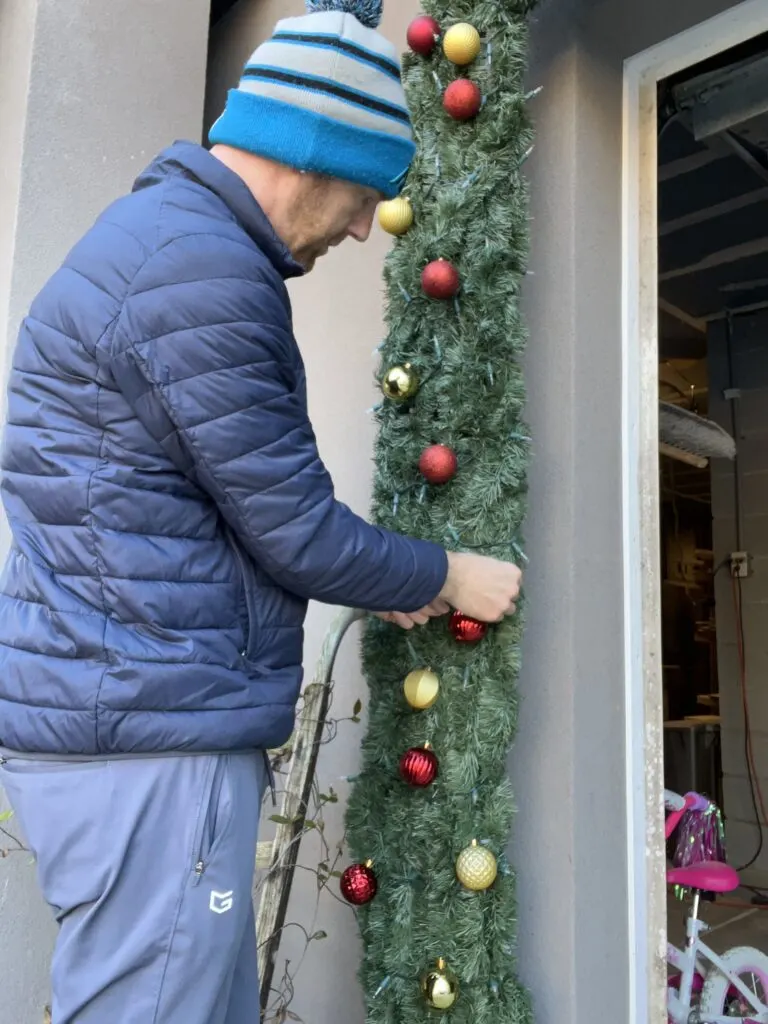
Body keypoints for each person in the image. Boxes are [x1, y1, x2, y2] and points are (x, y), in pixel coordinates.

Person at [0, 6, 521, 1023]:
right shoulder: (202, 272)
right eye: (367, 195)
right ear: (314, 155)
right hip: (154, 749)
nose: (366, 227)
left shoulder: (167, 244)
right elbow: (294, 526)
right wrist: (449, 573)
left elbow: (235, 517)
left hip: (133, 726)